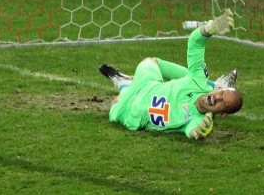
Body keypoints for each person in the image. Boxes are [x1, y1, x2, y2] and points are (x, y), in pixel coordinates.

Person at [99, 9, 243, 140]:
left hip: (132, 112)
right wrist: (210, 29)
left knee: (115, 105)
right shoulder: (199, 80)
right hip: (148, 83)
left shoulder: (200, 120)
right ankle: (127, 83)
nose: (217, 97)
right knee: (150, 62)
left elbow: (194, 131)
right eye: (221, 93)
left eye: (222, 102)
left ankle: (124, 84)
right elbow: (195, 43)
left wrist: (198, 133)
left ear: (223, 113)